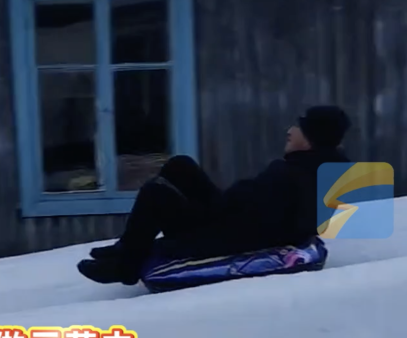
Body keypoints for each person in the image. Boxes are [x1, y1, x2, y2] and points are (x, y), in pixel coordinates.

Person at [77, 105, 351, 286]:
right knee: (180, 165)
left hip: (226, 234)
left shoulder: (300, 175)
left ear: (312, 138)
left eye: (300, 127)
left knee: (155, 193)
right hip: (231, 218)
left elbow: (270, 225)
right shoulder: (311, 169)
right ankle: (127, 245)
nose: (290, 131)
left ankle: (127, 267)